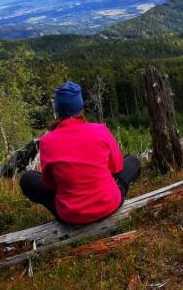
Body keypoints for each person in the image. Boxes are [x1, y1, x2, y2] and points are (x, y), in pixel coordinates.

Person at [19, 81, 141, 225]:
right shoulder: (100, 130)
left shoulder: (47, 141)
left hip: (71, 216)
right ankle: (110, 191)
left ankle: (68, 207)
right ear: (81, 106)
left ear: (58, 109)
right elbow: (117, 168)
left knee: (28, 179)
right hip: (109, 205)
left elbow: (50, 184)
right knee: (132, 161)